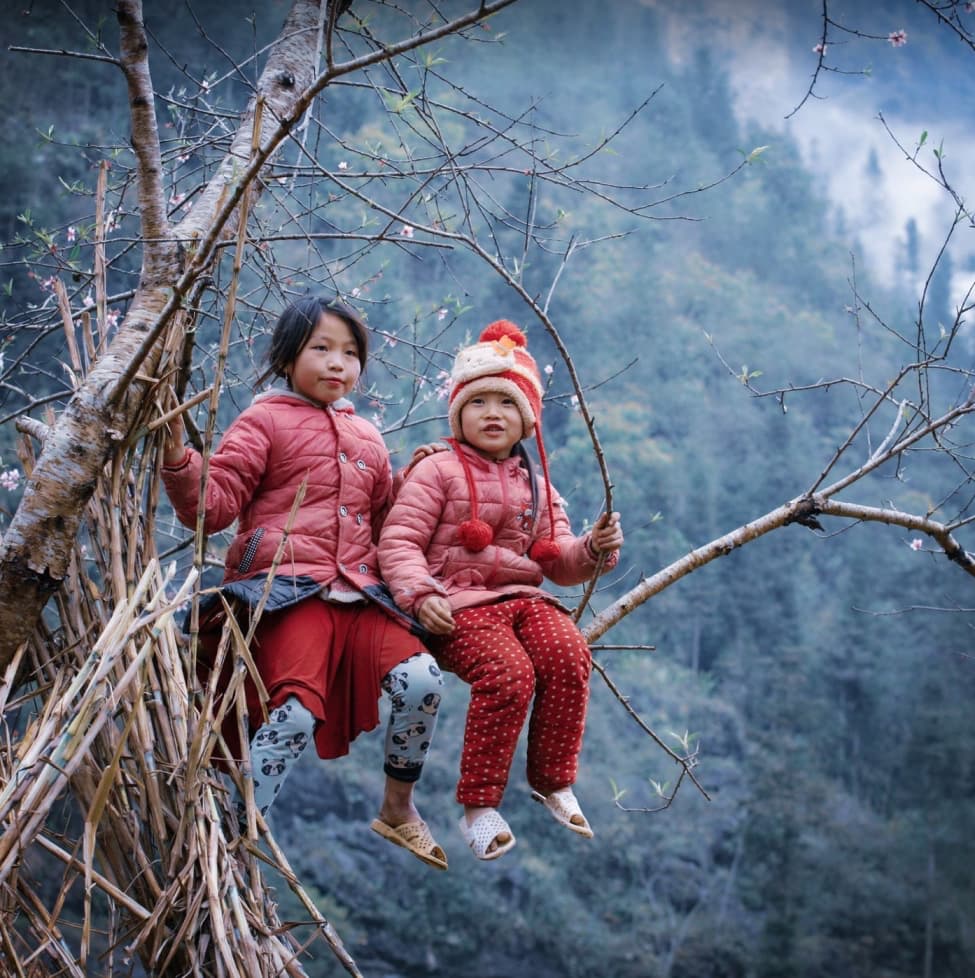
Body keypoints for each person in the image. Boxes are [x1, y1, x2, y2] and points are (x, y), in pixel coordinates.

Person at [161, 295, 447, 870]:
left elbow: (389, 527)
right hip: (288, 589)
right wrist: (178, 458)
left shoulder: (367, 434)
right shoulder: (264, 419)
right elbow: (212, 508)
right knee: (289, 717)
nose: (338, 363)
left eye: (349, 353)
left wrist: (422, 476)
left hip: (363, 595)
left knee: (422, 681)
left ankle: (398, 807)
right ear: (288, 356)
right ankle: (239, 838)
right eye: (322, 348)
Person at [378, 319, 623, 861]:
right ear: (458, 412)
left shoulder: (536, 485)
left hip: (524, 601)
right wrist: (421, 596)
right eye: (480, 401)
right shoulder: (435, 470)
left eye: (507, 404)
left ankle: (553, 780)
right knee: (510, 674)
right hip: (456, 606)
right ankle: (478, 807)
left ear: (527, 420)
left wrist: (596, 548)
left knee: (567, 651)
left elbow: (559, 560)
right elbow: (397, 543)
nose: (493, 413)